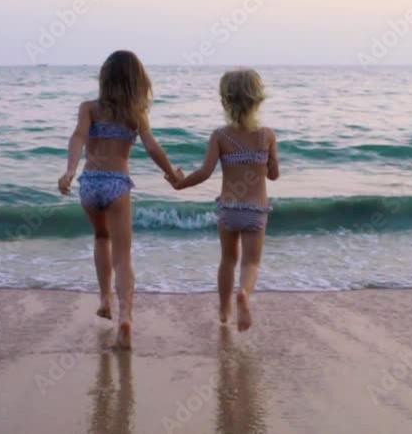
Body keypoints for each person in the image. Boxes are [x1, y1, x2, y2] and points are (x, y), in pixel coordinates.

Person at [58, 50, 184, 349]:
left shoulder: (89, 108)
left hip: (89, 185)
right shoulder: (136, 114)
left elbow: (77, 137)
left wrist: (70, 171)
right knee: (123, 255)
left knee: (102, 238)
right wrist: (172, 175)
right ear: (137, 82)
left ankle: (105, 300)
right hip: (117, 184)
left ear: (104, 79)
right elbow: (153, 147)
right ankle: (126, 316)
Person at [168, 69, 279, 331]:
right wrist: (266, 161)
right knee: (251, 262)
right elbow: (274, 175)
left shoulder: (220, 136)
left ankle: (224, 309)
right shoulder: (267, 136)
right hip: (256, 210)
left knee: (228, 259)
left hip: (229, 209)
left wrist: (180, 183)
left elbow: (205, 173)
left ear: (225, 101)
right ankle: (244, 295)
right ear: (258, 100)